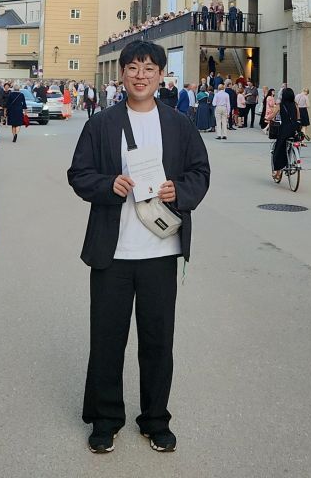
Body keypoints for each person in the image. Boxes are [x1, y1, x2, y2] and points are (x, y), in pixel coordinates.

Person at [67, 40, 210, 455]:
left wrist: (178, 190)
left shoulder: (178, 124)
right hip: (112, 253)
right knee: (107, 339)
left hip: (160, 252)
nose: (141, 75)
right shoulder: (102, 124)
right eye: (133, 67)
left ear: (161, 75)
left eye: (149, 68)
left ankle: (155, 419)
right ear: (122, 74)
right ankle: (106, 419)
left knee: (157, 342)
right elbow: (79, 173)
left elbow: (200, 172)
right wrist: (107, 185)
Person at [272, 87, 301, 183]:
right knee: (293, 144)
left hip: (284, 130)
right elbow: (298, 117)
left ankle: (278, 171)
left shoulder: (280, 105)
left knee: (278, 149)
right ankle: (294, 161)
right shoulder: (295, 105)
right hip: (295, 129)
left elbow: (272, 116)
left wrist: (267, 118)